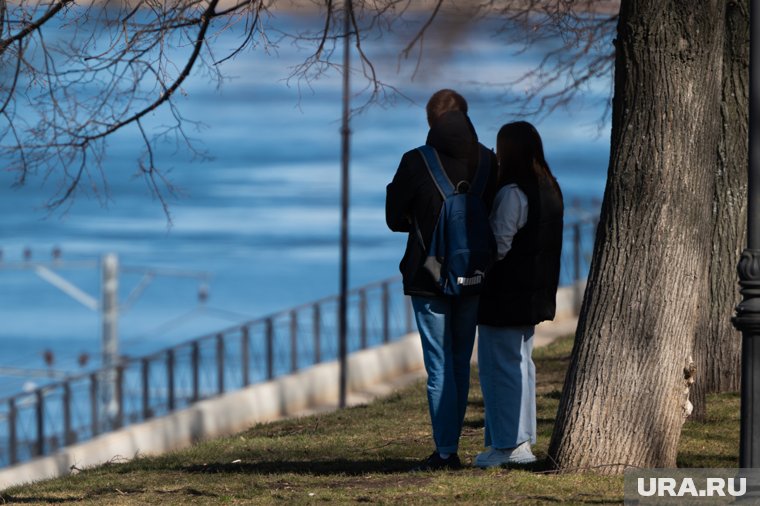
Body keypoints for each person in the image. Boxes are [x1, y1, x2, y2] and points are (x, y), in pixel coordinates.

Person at [386, 89, 497, 471]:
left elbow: (393, 218)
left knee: (439, 366)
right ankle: (451, 447)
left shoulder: (416, 161)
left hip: (428, 276)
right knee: (460, 362)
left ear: (430, 121)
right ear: (466, 117)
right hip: (474, 276)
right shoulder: (488, 161)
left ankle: (446, 451)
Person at [474, 121, 564, 468]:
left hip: (506, 294)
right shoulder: (548, 186)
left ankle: (509, 445)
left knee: (501, 368)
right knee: (522, 365)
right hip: (531, 293)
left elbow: (498, 244)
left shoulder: (512, 192)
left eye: (499, 148)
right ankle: (520, 439)